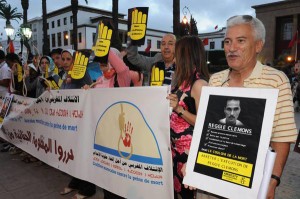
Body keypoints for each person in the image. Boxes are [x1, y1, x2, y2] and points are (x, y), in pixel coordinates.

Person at [205, 15, 298, 199]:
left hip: (251, 185)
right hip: (210, 178)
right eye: (227, 42)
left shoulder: (276, 80)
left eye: (240, 41)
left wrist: (272, 180)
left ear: (258, 45)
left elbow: (281, 136)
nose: (231, 48)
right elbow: (206, 130)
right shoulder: (215, 80)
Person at [167, 35, 209, 199]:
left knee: (186, 195)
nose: (174, 57)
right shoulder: (180, 81)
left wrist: (178, 109)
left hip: (188, 153)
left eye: (177, 53)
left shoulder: (199, 84)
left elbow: (204, 123)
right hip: (175, 149)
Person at [59, 49, 96, 199]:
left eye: (69, 59)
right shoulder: (64, 75)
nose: (66, 62)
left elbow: (90, 89)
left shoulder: (81, 73)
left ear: (74, 61)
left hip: (81, 123)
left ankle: (88, 188)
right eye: (64, 59)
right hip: (70, 122)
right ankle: (75, 181)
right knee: (73, 153)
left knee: (83, 153)